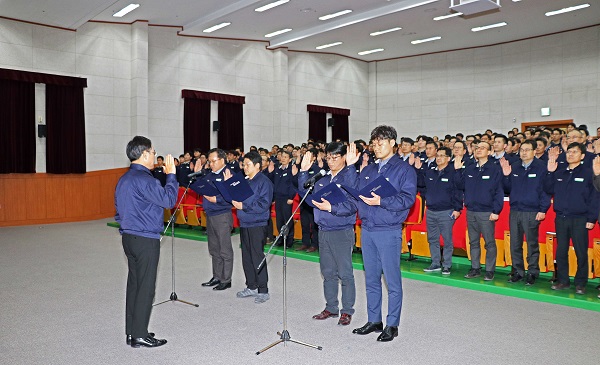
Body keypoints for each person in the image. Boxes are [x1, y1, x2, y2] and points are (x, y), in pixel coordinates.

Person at [351, 125, 417, 342]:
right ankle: (374, 320)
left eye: (380, 142)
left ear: (392, 144)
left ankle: (392, 324)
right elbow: (357, 193)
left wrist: (382, 200)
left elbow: (407, 199)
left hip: (388, 230)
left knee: (392, 281)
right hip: (368, 229)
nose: (376, 146)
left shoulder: (404, 169)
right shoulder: (368, 169)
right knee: (371, 278)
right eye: (374, 143)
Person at [115, 136, 177, 348]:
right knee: (146, 287)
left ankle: (132, 332)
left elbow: (119, 210)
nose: (155, 156)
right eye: (152, 152)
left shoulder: (123, 179)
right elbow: (169, 200)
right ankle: (140, 334)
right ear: (143, 155)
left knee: (134, 284)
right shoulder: (146, 180)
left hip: (128, 238)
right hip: (145, 239)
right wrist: (171, 176)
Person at [297, 142, 359, 326]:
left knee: (345, 273)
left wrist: (331, 208)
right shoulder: (322, 179)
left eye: (335, 157)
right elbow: (307, 197)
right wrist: (303, 173)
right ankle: (331, 307)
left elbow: (353, 205)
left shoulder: (349, 178)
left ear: (344, 158)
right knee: (328, 272)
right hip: (323, 231)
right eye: (328, 158)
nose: (331, 161)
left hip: (341, 231)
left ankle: (347, 311)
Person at [544, 142, 598, 295]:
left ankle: (580, 283)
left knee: (581, 252)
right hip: (561, 217)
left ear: (582, 156)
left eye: (575, 152)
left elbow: (594, 197)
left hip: (580, 218)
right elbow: (548, 189)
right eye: (568, 152)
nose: (570, 154)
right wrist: (550, 172)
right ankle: (563, 281)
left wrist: (591, 218)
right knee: (561, 251)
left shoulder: (588, 173)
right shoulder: (560, 172)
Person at [500, 140, 551, 286]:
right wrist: (506, 176)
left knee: (531, 244)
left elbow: (545, 191)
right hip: (515, 210)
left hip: (532, 211)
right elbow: (507, 188)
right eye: (522, 150)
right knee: (514, 243)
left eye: (527, 150)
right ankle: (517, 271)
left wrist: (542, 209)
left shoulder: (541, 167)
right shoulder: (515, 167)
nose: (523, 152)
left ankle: (532, 272)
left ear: (534, 152)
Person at [455, 141, 504, 281]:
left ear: (489, 152)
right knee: (473, 242)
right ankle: (475, 268)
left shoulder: (494, 169)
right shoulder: (470, 168)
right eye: (477, 147)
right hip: (471, 211)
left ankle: (490, 270)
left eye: (483, 148)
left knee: (489, 242)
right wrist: (458, 170)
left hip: (487, 212)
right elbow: (460, 185)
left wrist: (496, 211)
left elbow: (499, 192)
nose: (479, 149)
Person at [228, 151, 273, 304]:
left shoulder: (264, 182)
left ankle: (263, 289)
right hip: (245, 223)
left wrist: (243, 206)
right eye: (243, 164)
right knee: (246, 256)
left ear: (257, 165)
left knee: (257, 256)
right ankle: (251, 285)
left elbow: (263, 204)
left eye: (248, 165)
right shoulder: (245, 181)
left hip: (257, 224)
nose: (244, 167)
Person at [192, 148, 234, 291]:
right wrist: (197, 175)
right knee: (214, 248)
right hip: (210, 214)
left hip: (222, 215)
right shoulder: (209, 175)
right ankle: (217, 276)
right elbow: (201, 187)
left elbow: (233, 196)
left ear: (222, 160)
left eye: (213, 161)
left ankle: (226, 279)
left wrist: (218, 199)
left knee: (225, 249)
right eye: (209, 161)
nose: (210, 164)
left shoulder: (229, 174)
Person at [415, 147, 463, 274]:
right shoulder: (430, 172)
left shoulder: (453, 172)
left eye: (442, 155)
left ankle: (447, 264)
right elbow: (420, 184)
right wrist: (418, 170)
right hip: (431, 211)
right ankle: (435, 262)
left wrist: (458, 209)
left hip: (446, 211)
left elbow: (459, 190)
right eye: (437, 155)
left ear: (448, 158)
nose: (439, 158)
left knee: (447, 240)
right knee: (432, 239)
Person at [267, 150, 296, 248]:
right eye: (282, 157)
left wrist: (291, 197)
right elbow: (272, 183)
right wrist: (270, 173)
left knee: (287, 220)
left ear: (290, 159)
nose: (283, 159)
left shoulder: (291, 169)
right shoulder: (277, 169)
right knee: (279, 220)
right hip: (278, 198)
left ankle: (289, 239)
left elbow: (293, 185)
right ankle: (280, 239)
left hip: (287, 198)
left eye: (285, 157)